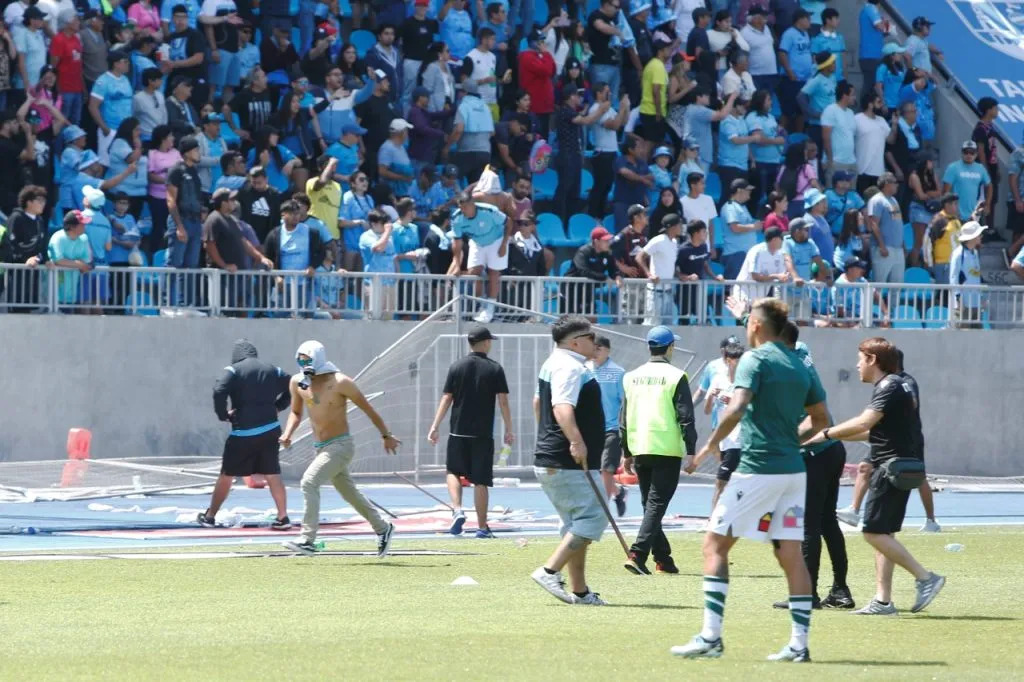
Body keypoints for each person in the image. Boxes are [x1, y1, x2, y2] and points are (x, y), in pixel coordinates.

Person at [673, 298, 829, 662]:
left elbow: (738, 405)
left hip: (758, 469)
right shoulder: (798, 362)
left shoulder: (754, 359)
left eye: (748, 323)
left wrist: (710, 445)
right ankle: (799, 645)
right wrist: (792, 440)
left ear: (756, 327)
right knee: (791, 555)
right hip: (793, 472)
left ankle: (711, 637)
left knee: (714, 546)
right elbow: (822, 420)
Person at [804, 337, 945, 615]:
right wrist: (827, 439)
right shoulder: (903, 383)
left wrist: (827, 433)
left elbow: (865, 422)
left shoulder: (889, 385)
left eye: (860, 359)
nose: (856, 366)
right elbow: (873, 432)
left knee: (872, 533)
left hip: (889, 467)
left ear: (872, 359)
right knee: (884, 534)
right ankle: (883, 601)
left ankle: (926, 578)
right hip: (901, 464)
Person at [280, 340, 399, 557]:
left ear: (318, 359)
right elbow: (296, 413)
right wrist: (288, 433)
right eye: (300, 359)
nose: (303, 364)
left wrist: (386, 435)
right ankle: (383, 528)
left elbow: (368, 409)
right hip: (320, 447)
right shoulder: (298, 382)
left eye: (307, 359)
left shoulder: (341, 382)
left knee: (309, 482)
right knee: (349, 493)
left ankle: (307, 539)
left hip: (340, 446)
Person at [768, 323, 853, 611]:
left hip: (814, 453)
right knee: (827, 522)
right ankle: (840, 590)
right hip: (831, 450)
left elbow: (817, 419)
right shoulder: (801, 354)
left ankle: (806, 595)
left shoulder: (790, 373)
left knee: (809, 526)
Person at [530, 315, 609, 606]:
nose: (595, 341)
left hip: (555, 457)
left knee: (577, 525)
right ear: (575, 342)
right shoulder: (570, 367)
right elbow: (561, 407)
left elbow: (538, 402)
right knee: (593, 517)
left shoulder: (554, 363)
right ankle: (550, 570)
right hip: (566, 460)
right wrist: (575, 441)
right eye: (590, 336)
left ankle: (580, 591)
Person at [620, 325, 697, 576]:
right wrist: (692, 451)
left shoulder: (631, 376)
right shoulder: (677, 376)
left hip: (640, 445)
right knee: (655, 504)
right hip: (666, 448)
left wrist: (626, 451)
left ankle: (663, 559)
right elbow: (686, 417)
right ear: (671, 347)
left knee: (650, 504)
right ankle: (638, 554)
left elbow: (624, 419)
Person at [428, 327, 513, 538]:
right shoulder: (495, 368)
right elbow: (503, 401)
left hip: (458, 431)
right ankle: (482, 527)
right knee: (481, 480)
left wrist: (435, 425)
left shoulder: (456, 366)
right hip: (483, 433)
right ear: (485, 343)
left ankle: (457, 510)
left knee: (453, 472)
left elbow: (447, 398)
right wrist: (509, 429)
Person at [198, 340, 293, 529]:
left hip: (244, 432)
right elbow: (294, 386)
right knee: (272, 473)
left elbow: (219, 390)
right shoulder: (273, 369)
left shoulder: (233, 370)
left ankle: (210, 516)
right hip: (270, 430)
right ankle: (283, 517)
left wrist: (223, 415)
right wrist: (278, 407)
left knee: (227, 474)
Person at [449, 193, 512, 324]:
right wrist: (456, 263)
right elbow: (457, 242)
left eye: (465, 207)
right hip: (477, 242)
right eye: (461, 207)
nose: (463, 211)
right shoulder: (456, 217)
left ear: (473, 204)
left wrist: (504, 244)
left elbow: (509, 222)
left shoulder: (489, 210)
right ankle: (481, 302)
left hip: (496, 241)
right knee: (473, 273)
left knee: (494, 273)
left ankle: (490, 308)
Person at [586, 335, 628, 515]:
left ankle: (601, 511)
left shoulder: (618, 373)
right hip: (588, 430)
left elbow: (626, 404)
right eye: (593, 348)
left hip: (610, 429)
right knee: (591, 473)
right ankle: (618, 492)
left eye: (599, 349)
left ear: (608, 350)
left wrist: (626, 432)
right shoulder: (584, 370)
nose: (595, 352)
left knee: (606, 470)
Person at [701, 342, 744, 511]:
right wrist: (711, 396)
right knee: (733, 482)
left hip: (739, 438)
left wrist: (733, 402)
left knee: (721, 480)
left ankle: (713, 520)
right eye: (735, 360)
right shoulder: (718, 379)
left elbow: (751, 411)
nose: (739, 364)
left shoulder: (746, 382)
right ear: (727, 360)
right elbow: (707, 410)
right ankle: (726, 517)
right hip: (724, 439)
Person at [637, 213, 683, 326]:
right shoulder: (658, 240)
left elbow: (671, 264)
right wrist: (649, 274)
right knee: (652, 325)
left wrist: (680, 275)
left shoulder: (674, 242)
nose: (681, 227)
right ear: (672, 227)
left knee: (667, 325)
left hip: (668, 291)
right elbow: (639, 257)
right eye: (679, 225)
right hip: (655, 291)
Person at [865, 173, 905, 284]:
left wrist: (902, 245)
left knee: (897, 284)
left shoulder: (893, 200)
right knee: (879, 284)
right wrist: (882, 246)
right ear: (887, 184)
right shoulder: (877, 200)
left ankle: (893, 303)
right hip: (883, 248)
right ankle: (875, 302)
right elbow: (874, 224)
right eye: (895, 183)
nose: (897, 186)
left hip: (897, 248)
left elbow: (897, 223)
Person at [949, 220, 986, 329]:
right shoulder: (958, 254)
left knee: (977, 334)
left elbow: (977, 276)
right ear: (972, 237)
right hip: (964, 303)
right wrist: (958, 301)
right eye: (979, 235)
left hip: (976, 302)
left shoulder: (975, 252)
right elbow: (954, 278)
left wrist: (982, 297)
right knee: (963, 335)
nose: (980, 237)